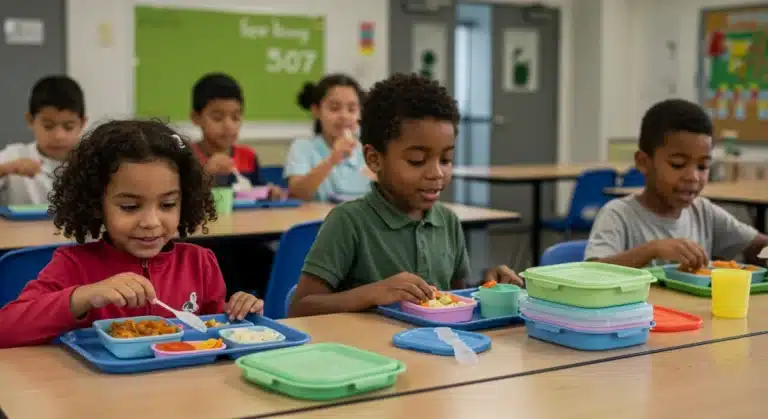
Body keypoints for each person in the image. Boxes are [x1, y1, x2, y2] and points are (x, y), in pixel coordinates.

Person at [0, 120, 264, 348]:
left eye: (168, 204)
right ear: (96, 204)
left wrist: (240, 312)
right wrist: (83, 296)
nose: (150, 222)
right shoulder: (73, 266)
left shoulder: (200, 263)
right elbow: (6, 329)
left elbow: (213, 335)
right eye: (129, 207)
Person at [289, 73, 523, 317]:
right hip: (368, 352)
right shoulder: (348, 222)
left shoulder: (448, 222)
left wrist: (488, 289)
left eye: (446, 159)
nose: (436, 173)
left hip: (433, 352)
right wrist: (374, 293)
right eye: (417, 161)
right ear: (374, 159)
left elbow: (453, 303)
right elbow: (300, 309)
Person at [585, 98, 768, 269]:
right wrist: (651, 250)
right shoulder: (618, 215)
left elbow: (758, 246)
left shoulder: (703, 212)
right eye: (678, 164)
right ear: (643, 162)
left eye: (703, 166)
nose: (693, 177)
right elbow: (593, 271)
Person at [190, 72, 285, 199]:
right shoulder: (187, 157)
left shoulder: (248, 157)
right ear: (196, 118)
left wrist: (270, 193)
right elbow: (178, 200)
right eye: (217, 118)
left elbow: (257, 191)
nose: (228, 126)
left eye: (235, 118)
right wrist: (206, 175)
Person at [285, 74, 373, 201]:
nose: (344, 116)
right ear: (316, 110)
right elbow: (297, 194)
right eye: (334, 108)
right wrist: (333, 159)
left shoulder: (368, 151)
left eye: (352, 109)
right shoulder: (302, 147)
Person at [0, 75, 87, 205]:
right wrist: (6, 169)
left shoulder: (91, 161)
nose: (59, 136)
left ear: (82, 123)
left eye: (68, 127)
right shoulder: (13, 155)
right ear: (30, 120)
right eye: (48, 126)